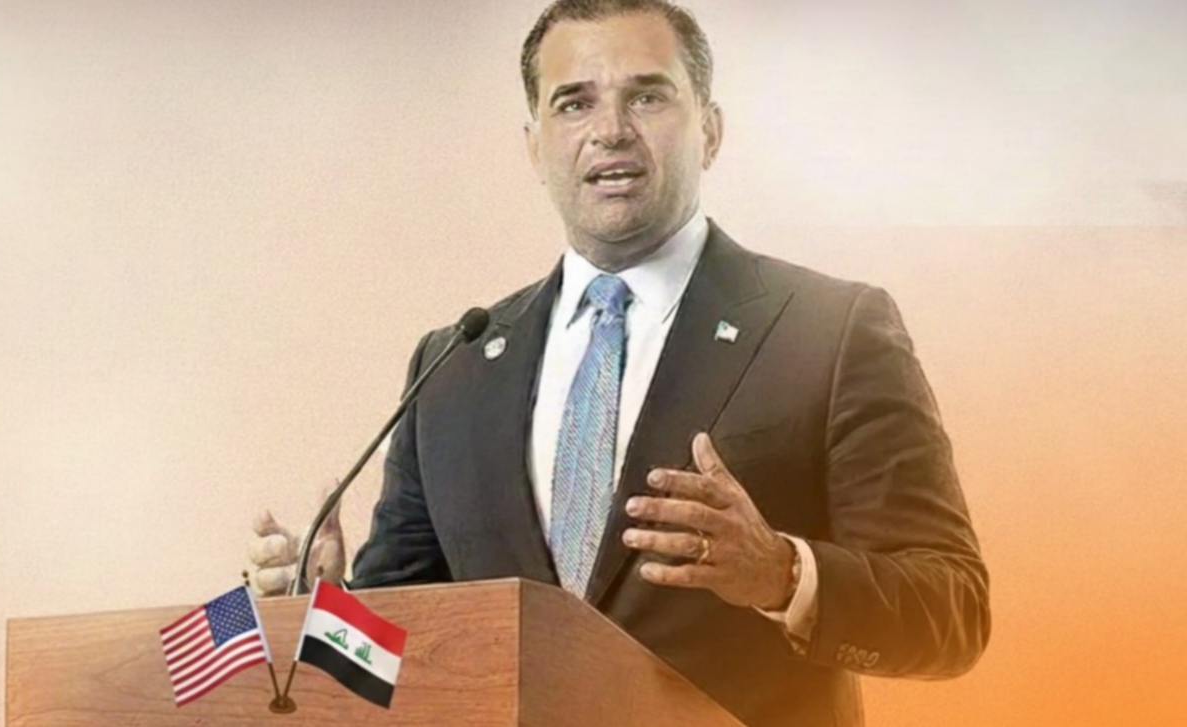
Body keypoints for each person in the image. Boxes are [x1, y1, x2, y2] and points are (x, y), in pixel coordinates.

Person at [251, 1, 989, 725]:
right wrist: (313, 614)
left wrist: (781, 572)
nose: (610, 131)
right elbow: (398, 658)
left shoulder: (831, 329)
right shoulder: (454, 364)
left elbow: (951, 609)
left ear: (711, 131)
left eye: (647, 96)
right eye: (574, 103)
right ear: (535, 148)